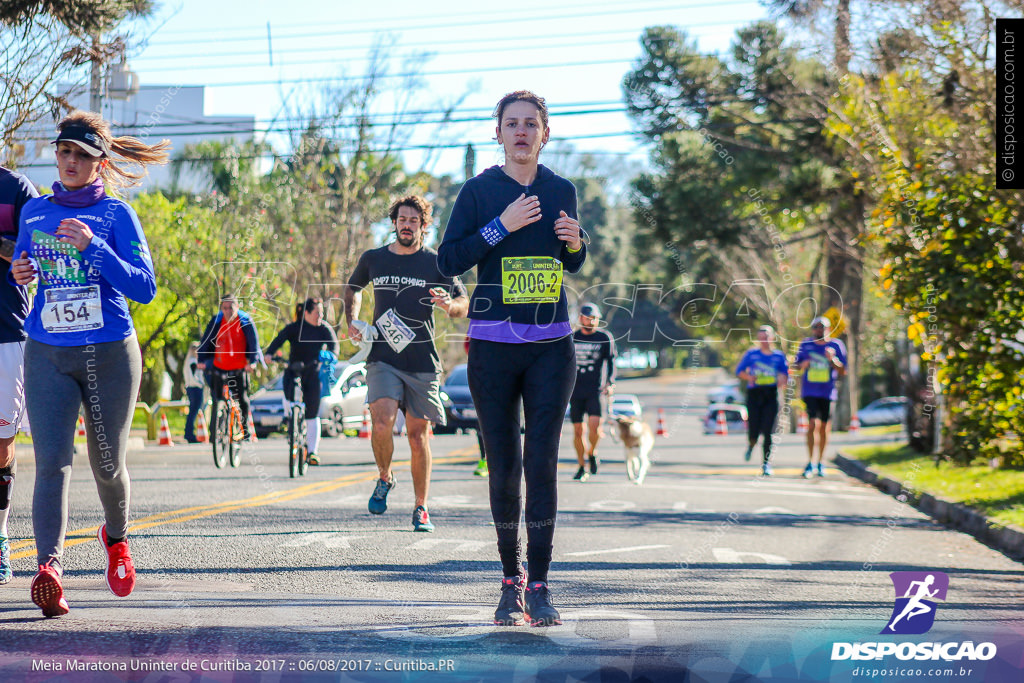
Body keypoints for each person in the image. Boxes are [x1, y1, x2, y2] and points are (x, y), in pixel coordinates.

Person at [9, 110, 168, 616]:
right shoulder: (35, 213)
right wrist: (20, 271)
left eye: (81, 154)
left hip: (109, 353)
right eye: (63, 151)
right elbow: (30, 273)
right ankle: (48, 569)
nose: (70, 161)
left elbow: (144, 288)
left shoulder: (117, 216)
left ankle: (116, 538)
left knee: (106, 465)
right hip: (47, 351)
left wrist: (95, 247)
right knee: (51, 462)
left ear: (99, 163)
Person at [437, 90, 586, 627]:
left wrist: (574, 242)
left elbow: (571, 259)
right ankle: (509, 584)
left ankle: (542, 586)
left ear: (545, 133)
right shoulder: (478, 192)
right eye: (512, 124)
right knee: (504, 468)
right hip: (494, 347)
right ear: (497, 133)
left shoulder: (561, 188)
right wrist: (502, 224)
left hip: (551, 346)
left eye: (531, 124)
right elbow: (449, 258)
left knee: (541, 464)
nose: (521, 132)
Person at [344, 195, 468, 533]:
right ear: (394, 222)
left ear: (423, 226)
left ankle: (421, 507)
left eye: (414, 220)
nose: (407, 225)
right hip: (383, 357)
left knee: (417, 436)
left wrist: (448, 306)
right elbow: (352, 288)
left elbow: (463, 303)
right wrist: (352, 320)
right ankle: (385, 477)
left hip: (422, 361)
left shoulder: (437, 262)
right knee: (381, 419)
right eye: (402, 219)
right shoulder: (375, 258)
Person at [0, 159, 39, 585]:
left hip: (5, 330)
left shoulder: (17, 188)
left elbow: (33, 255)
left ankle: (0, 537)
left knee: (1, 443)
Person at [265, 297, 338, 465]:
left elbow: (334, 347)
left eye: (322, 313)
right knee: (287, 389)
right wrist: (270, 354)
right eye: (317, 313)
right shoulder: (294, 328)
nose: (320, 316)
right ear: (306, 313)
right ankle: (289, 419)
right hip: (294, 369)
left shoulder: (324, 329)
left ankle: (312, 452)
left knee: (312, 414)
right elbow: (279, 340)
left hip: (313, 372)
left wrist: (331, 356)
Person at [198, 294, 261, 444]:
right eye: (224, 308)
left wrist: (252, 362)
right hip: (219, 366)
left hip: (239, 367)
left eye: (230, 307)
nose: (227, 311)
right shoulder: (216, 321)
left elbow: (254, 343)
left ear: (237, 307)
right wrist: (201, 361)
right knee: (217, 399)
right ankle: (216, 433)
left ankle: (245, 430)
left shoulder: (244, 321)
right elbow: (205, 341)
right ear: (221, 308)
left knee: (242, 399)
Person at [570, 303, 616, 481]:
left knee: (595, 428)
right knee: (577, 431)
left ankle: (592, 452)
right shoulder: (572, 338)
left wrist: (610, 383)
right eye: (588, 317)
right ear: (580, 318)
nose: (592, 321)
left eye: (595, 318)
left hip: (595, 391)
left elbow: (611, 363)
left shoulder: (604, 337)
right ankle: (582, 465)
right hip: (575, 391)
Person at [735, 325, 789, 476]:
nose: (764, 341)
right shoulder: (751, 354)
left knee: (768, 430)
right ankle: (751, 444)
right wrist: (749, 377)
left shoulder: (778, 356)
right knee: (754, 429)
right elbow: (739, 371)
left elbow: (786, 375)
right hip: (754, 394)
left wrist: (782, 380)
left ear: (772, 338)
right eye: (761, 338)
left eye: (766, 337)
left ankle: (766, 463)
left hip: (771, 395)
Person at [797, 316, 847, 478]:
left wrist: (832, 359)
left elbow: (843, 371)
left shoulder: (836, 345)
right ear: (812, 329)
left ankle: (820, 461)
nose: (819, 330)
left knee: (824, 427)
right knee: (812, 424)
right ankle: (810, 462)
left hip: (827, 392)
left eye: (822, 327)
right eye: (816, 327)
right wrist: (803, 364)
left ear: (828, 329)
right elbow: (796, 367)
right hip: (810, 391)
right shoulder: (806, 345)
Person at [183, 341, 205, 443]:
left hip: (192, 388)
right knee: (193, 411)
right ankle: (189, 434)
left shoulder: (190, 361)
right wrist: (201, 384)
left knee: (193, 411)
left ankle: (189, 433)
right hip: (195, 388)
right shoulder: (193, 362)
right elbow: (194, 377)